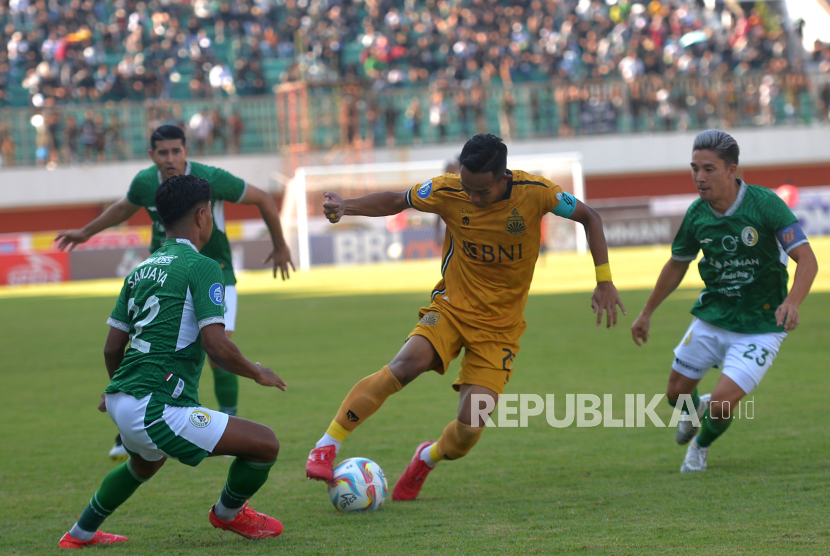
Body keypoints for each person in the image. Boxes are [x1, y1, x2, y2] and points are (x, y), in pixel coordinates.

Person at [305, 133, 625, 500]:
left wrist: (604, 281)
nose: (471, 197)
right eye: (467, 187)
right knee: (405, 365)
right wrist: (348, 206)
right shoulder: (448, 190)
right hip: (452, 308)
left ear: (504, 178)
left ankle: (427, 456)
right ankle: (327, 444)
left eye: (481, 191)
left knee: (468, 429)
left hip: (500, 330)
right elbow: (397, 200)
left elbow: (590, 217)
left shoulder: (537, 192)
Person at [58, 175, 287, 549]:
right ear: (202, 215)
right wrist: (256, 371)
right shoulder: (203, 266)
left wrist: (115, 388)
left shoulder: (139, 271)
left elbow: (112, 348)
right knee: (266, 444)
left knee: (145, 464)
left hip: (124, 398)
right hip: (155, 406)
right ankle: (228, 513)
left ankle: (81, 532)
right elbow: (217, 346)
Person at [55, 125, 293, 459]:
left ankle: (228, 421)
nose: (171, 159)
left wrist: (280, 246)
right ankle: (132, 428)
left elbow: (264, 198)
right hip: (166, 278)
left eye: (177, 151)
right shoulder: (144, 183)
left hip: (216, 275)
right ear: (152, 156)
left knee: (217, 352)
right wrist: (86, 232)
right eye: (163, 153)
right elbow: (124, 208)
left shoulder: (210, 179)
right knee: (146, 350)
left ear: (186, 151)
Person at [630, 130, 818, 473]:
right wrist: (646, 312)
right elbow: (677, 263)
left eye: (709, 169)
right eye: (694, 168)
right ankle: (691, 412)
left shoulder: (764, 204)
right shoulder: (697, 215)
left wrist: (792, 301)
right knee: (675, 393)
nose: (699, 177)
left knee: (720, 405)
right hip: (713, 316)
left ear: (731, 170)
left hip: (761, 325)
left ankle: (700, 447)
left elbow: (807, 259)